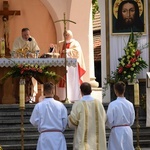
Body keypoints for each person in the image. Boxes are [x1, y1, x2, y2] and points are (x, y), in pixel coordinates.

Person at [68, 82, 107, 150]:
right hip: (97, 144)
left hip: (83, 143)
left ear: (81, 91)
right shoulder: (98, 103)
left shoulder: (78, 104)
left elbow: (73, 122)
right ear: (91, 91)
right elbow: (104, 118)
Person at [30, 82, 68, 150]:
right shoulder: (60, 105)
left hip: (45, 137)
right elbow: (65, 120)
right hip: (58, 137)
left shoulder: (38, 106)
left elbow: (33, 121)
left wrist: (41, 124)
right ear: (53, 91)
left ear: (43, 92)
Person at [56, 30, 86, 102]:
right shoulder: (60, 43)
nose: (66, 36)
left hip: (72, 67)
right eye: (65, 35)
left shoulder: (75, 43)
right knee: (62, 79)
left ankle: (73, 97)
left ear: (71, 35)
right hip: (62, 65)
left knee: (71, 80)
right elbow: (56, 52)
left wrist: (68, 51)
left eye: (68, 35)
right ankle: (62, 97)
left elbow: (77, 52)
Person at [12, 28, 40, 103]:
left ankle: (31, 96)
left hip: (30, 64)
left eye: (28, 34)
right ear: (22, 34)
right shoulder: (17, 40)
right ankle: (19, 97)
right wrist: (20, 54)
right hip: (20, 64)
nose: (27, 36)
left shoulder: (32, 40)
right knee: (19, 77)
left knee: (32, 78)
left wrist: (33, 54)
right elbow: (14, 52)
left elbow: (37, 51)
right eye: (25, 35)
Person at [106, 81, 135, 150]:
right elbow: (132, 120)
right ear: (124, 90)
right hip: (127, 130)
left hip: (116, 131)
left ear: (115, 91)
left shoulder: (112, 104)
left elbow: (109, 120)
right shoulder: (130, 104)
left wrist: (113, 127)